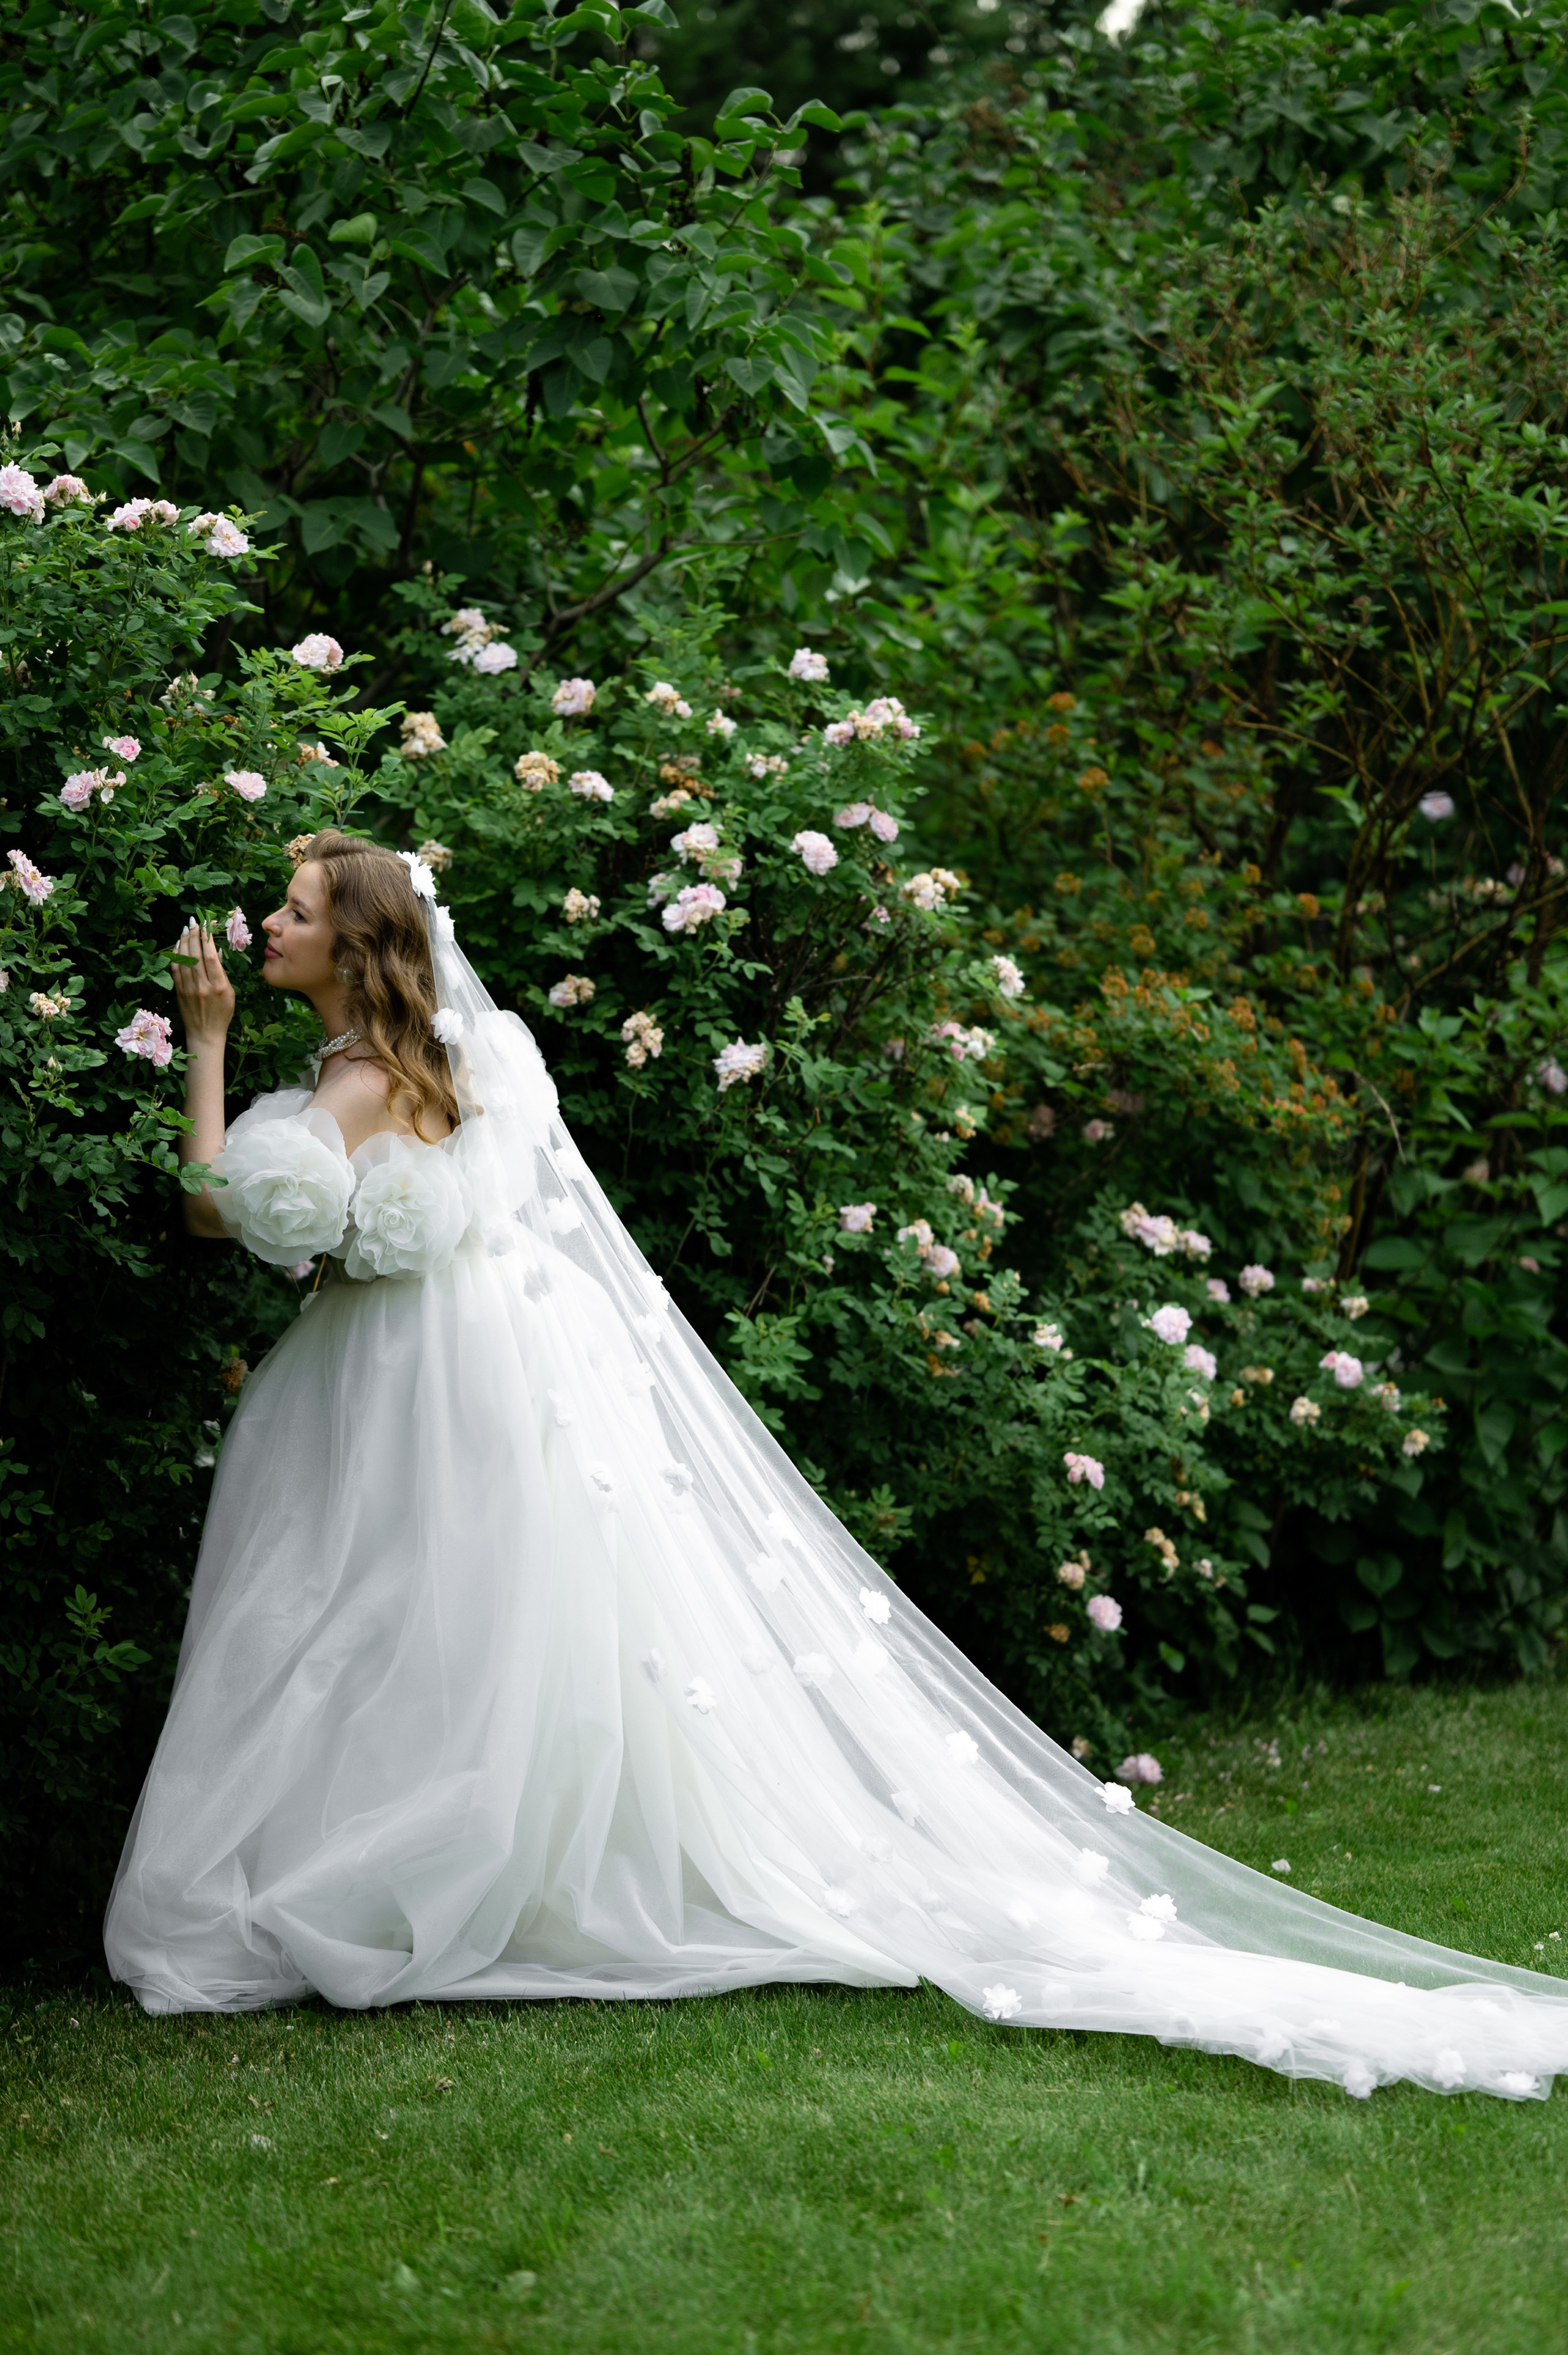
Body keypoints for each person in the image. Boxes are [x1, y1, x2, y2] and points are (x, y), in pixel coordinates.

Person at [106, 833, 1568, 2103]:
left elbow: (217, 1211)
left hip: (399, 1382)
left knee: (363, 1627)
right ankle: (447, 1869)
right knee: (430, 1632)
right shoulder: (461, 1062)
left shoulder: (355, 1086)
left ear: (357, 940)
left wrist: (208, 1042)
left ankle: (379, 1881)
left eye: (292, 910)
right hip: (470, 1372)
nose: (265, 928)